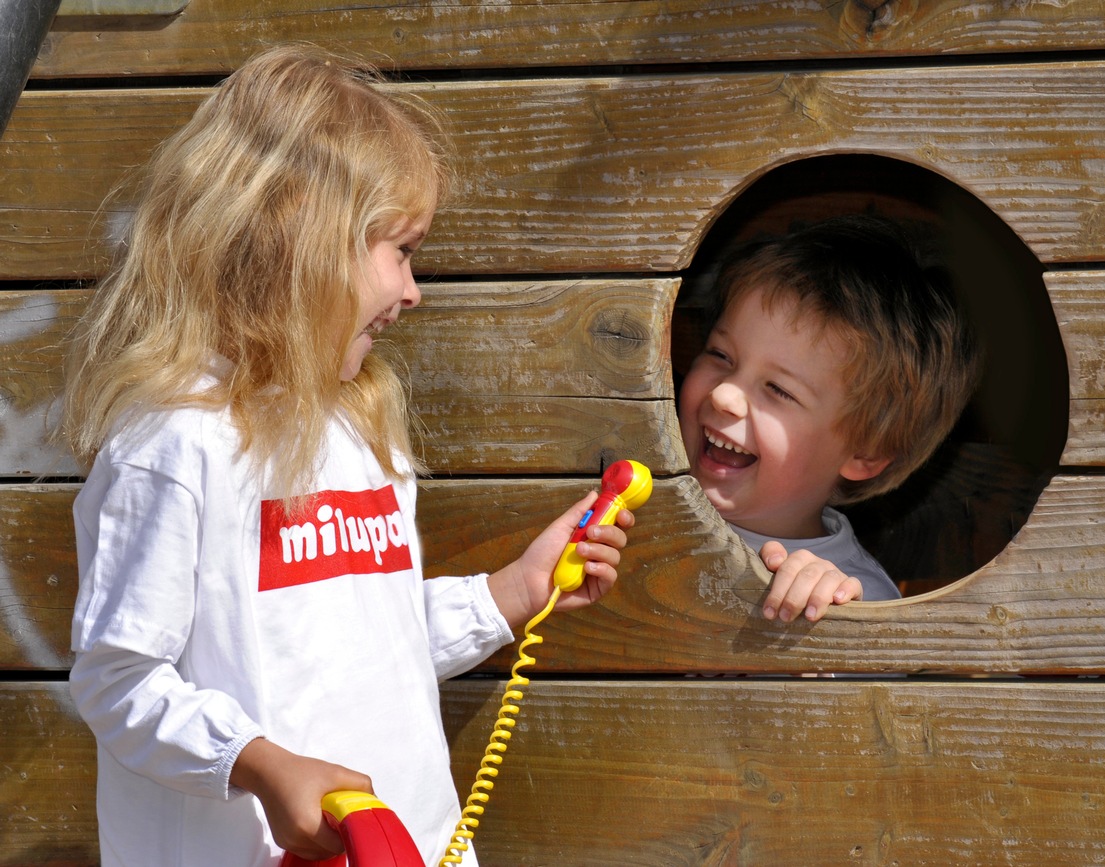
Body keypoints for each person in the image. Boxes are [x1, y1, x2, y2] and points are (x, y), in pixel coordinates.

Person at [60, 45, 634, 867]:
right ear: (299, 238)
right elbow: (117, 682)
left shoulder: (359, 422)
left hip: (413, 846)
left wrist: (515, 592)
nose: (413, 291)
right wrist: (260, 766)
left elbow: (364, 644)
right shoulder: (175, 442)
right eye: (400, 251)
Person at [677, 215, 979, 624]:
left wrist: (819, 667)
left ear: (866, 453)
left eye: (779, 390)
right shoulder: (624, 517)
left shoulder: (852, 597)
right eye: (720, 355)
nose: (724, 395)